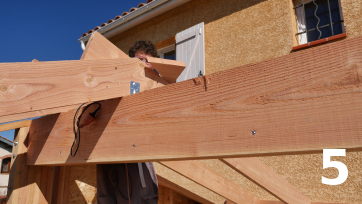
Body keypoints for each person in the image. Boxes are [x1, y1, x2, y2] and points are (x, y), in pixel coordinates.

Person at [97, 40, 159, 204]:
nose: (142, 64)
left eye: (146, 61)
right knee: (107, 198)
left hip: (138, 154)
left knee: (140, 198)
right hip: (106, 151)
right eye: (138, 60)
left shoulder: (157, 88)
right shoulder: (115, 84)